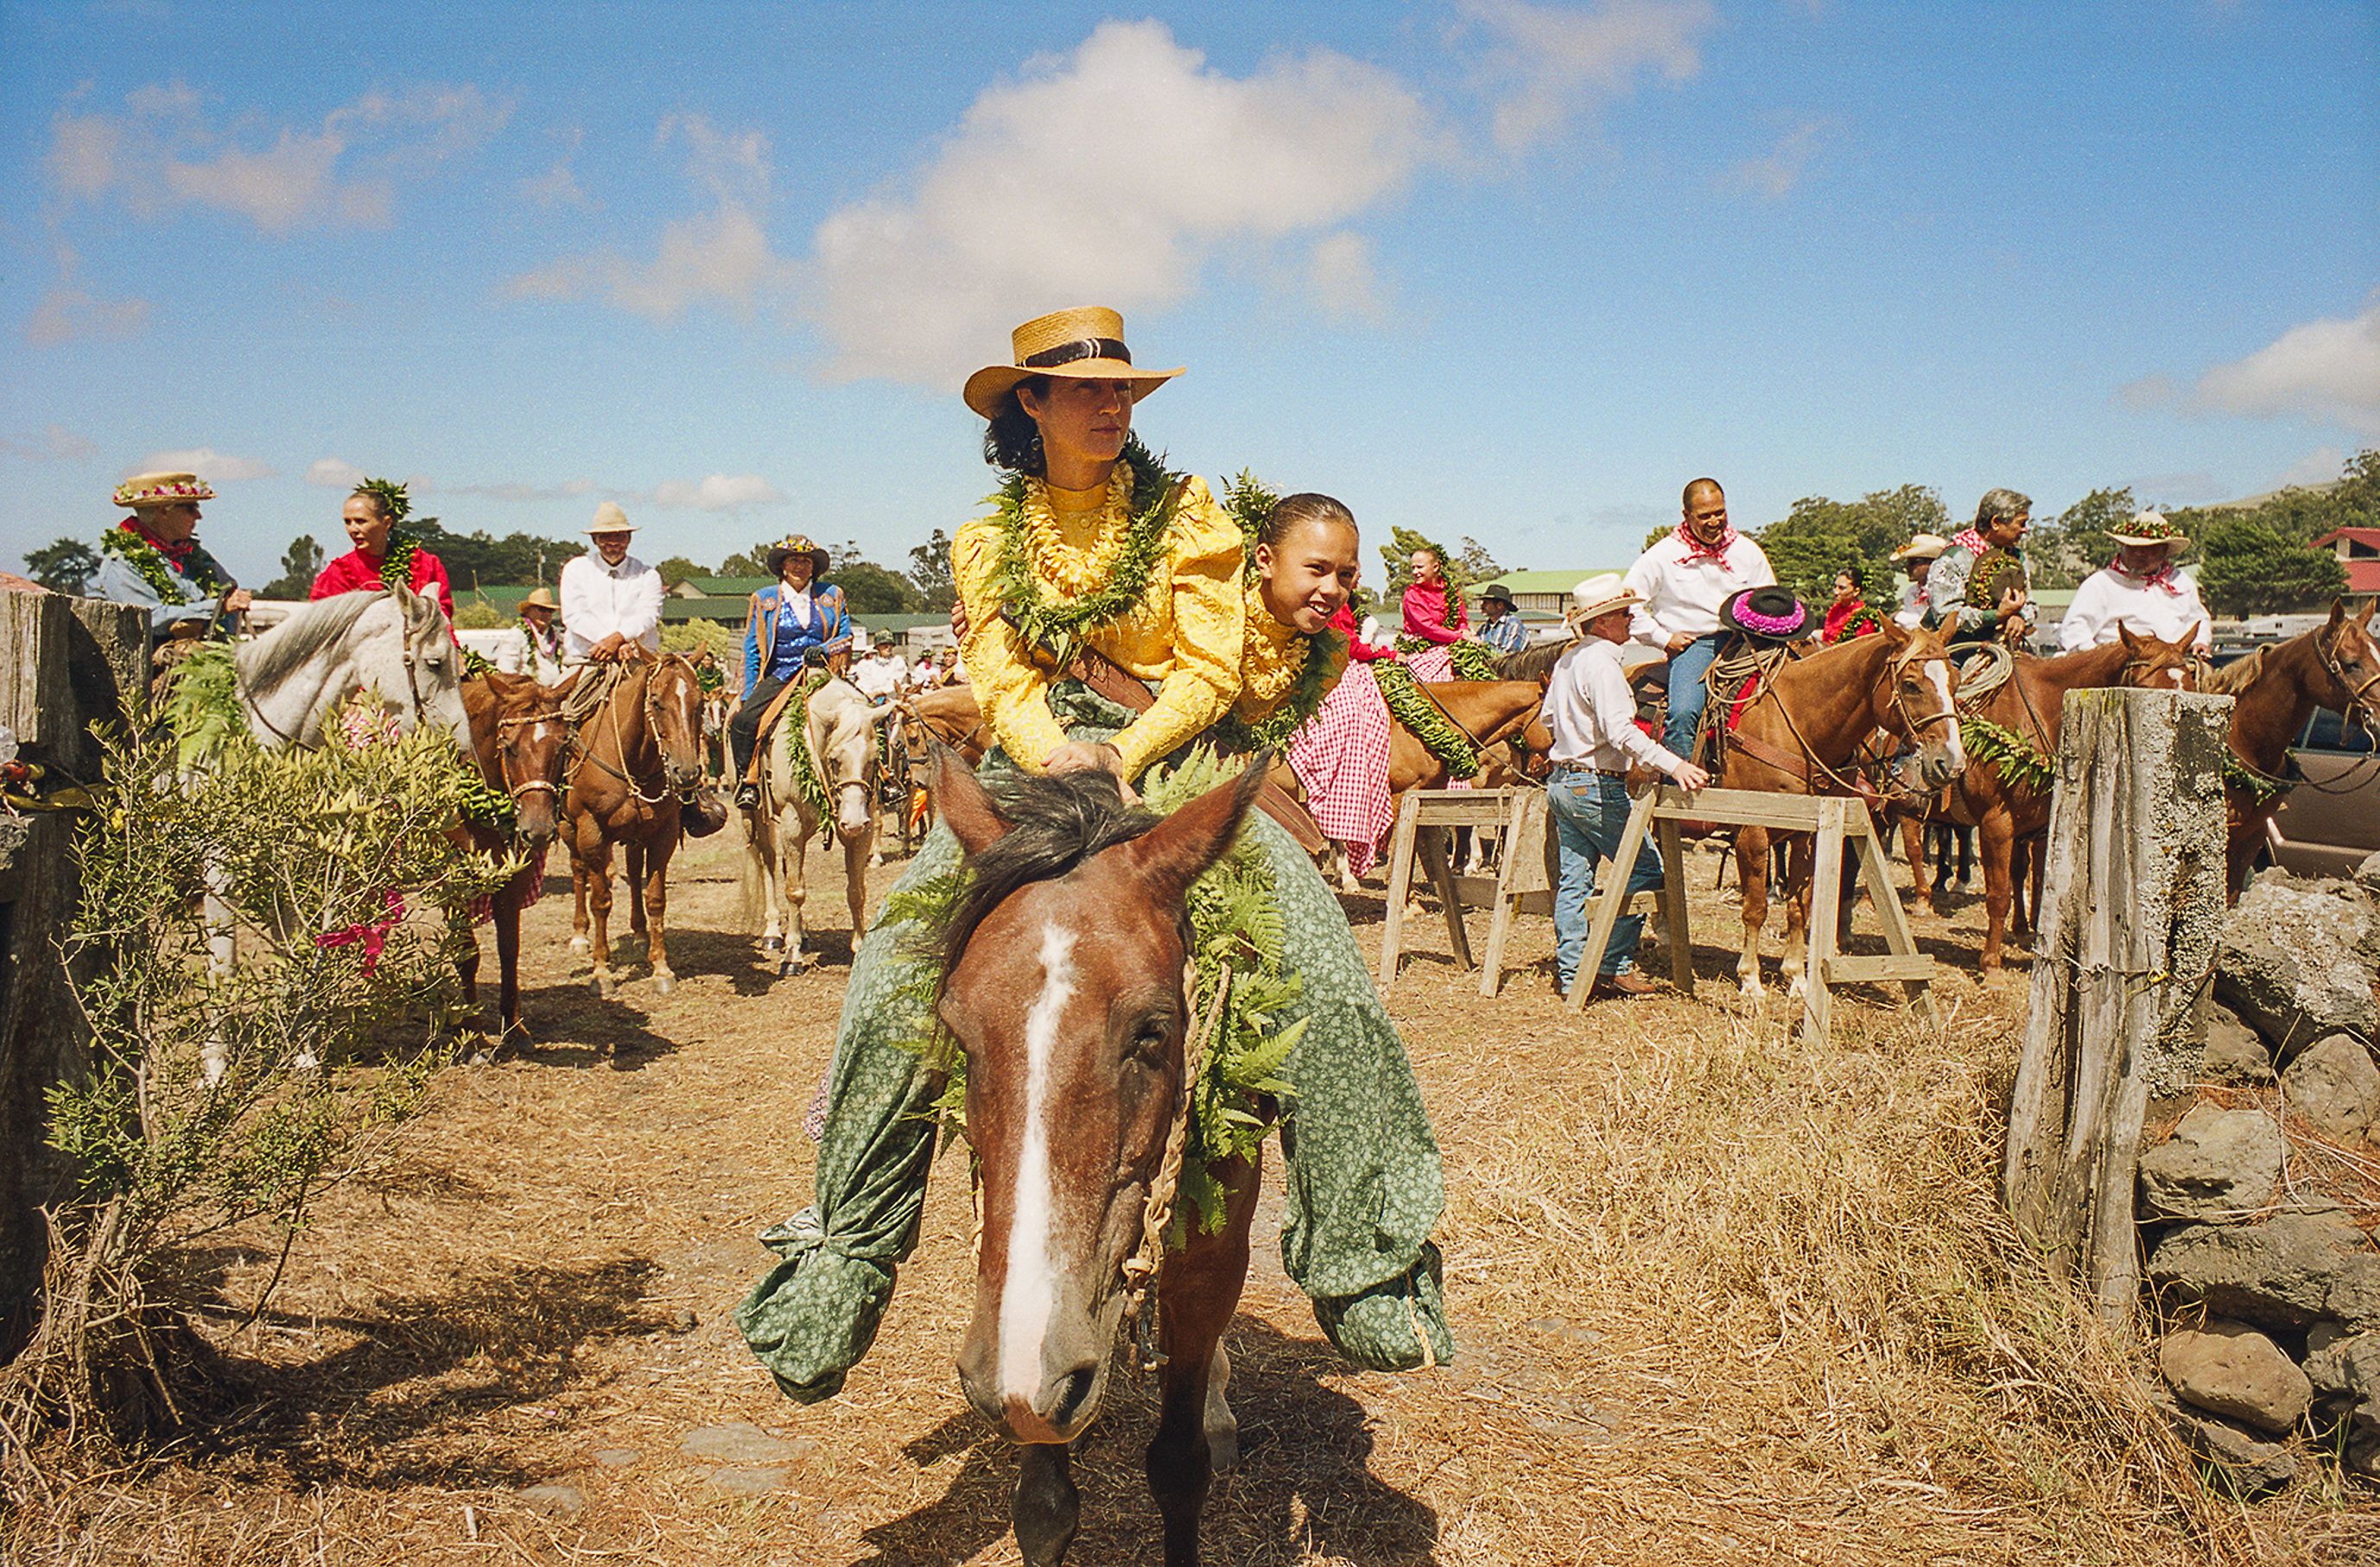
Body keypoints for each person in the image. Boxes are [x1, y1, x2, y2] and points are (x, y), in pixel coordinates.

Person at [735, 307, 1451, 1405]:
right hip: (1032, 765)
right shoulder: (987, 540)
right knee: (891, 962)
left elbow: (1210, 669)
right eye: (1085, 390)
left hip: (1163, 753)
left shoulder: (1189, 515)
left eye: (1124, 391)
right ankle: (846, 1256)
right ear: (1029, 402)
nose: (1112, 406)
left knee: (1315, 942)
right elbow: (1000, 669)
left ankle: (1368, 1255)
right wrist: (1050, 750)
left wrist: (1121, 748)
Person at [1543, 574, 1711, 999]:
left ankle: (1572, 974)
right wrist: (1676, 765)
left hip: (1563, 780)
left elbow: (1548, 721)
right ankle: (1611, 964)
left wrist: (1576, 735)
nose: (1630, 619)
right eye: (1623, 613)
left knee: (1574, 881)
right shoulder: (1602, 663)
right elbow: (1621, 732)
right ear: (1602, 623)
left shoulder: (1567, 661)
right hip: (1595, 784)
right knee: (1645, 871)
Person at [1622, 477, 1776, 761]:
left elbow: (1768, 598)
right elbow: (1628, 606)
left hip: (1749, 639)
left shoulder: (1747, 551)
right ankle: (1676, 786)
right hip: (1697, 646)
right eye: (1705, 516)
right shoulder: (1662, 555)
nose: (1715, 521)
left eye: (1720, 512)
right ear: (1687, 516)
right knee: (1683, 712)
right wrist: (1664, 638)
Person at [731, 534, 852, 808]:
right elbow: (752, 649)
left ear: (814, 567)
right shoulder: (764, 599)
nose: (800, 566)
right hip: (781, 674)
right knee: (744, 721)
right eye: (794, 560)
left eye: (806, 561)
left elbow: (845, 635)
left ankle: (883, 781)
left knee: (866, 712)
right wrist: (750, 692)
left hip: (822, 674)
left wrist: (825, 649)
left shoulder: (832, 595)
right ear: (783, 566)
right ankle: (747, 781)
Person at [92, 471, 251, 644]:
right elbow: (149, 617)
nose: (199, 516)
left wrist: (225, 644)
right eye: (190, 508)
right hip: (151, 666)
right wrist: (219, 608)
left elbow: (230, 592)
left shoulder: (194, 555)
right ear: (163, 512)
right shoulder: (121, 563)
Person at [2057, 511, 2212, 656]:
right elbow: (2074, 630)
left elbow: (2198, 619)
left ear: (2164, 551)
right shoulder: (2101, 583)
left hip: (2175, 662)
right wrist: (2099, 660)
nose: (2139, 553)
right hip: (2122, 668)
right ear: (2123, 547)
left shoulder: (2180, 581)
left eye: (2149, 549)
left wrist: (2200, 642)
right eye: (2133, 547)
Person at [308, 479, 455, 622]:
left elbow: (442, 620)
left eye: (360, 521)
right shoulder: (338, 575)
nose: (352, 529)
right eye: (348, 522)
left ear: (386, 523)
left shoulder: (425, 565)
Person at [559, 502, 664, 664]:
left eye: (620, 536)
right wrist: (610, 643)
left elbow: (648, 615)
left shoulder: (648, 575)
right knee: (560, 689)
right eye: (606, 537)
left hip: (637, 658)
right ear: (595, 540)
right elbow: (575, 616)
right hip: (586, 659)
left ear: (629, 539)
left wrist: (619, 639)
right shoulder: (575, 569)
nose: (613, 543)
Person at [1927, 489, 2034, 648]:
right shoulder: (1954, 558)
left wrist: (2018, 617)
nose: (2025, 530)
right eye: (2021, 524)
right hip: (1960, 650)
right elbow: (1947, 616)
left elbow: (2030, 603)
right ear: (1996, 523)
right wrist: (1996, 616)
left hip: (2010, 645)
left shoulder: (2017, 558)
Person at [1399, 545, 1475, 678]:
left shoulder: (1450, 590)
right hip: (1422, 646)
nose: (1415, 572)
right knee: (1441, 675)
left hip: (1452, 641)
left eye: (1420, 567)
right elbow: (1428, 629)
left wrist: (1464, 630)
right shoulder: (1412, 595)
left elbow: (1461, 619)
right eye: (1413, 568)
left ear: (1435, 567)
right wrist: (1458, 637)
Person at [1890, 534, 1948, 629]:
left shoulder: (1944, 589)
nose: (1908, 567)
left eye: (1914, 562)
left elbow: (1926, 624)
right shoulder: (1912, 592)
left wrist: (1897, 616)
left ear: (1932, 563)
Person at [1820, 565, 1886, 643]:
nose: (1835, 592)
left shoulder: (1863, 620)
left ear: (1856, 591)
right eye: (1835, 587)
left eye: (1842, 588)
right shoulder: (1835, 611)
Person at [514, 586, 565, 679]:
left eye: (550, 611)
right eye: (541, 609)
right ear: (528, 611)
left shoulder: (556, 635)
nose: (546, 614)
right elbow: (506, 670)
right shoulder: (517, 635)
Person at [851, 631, 908, 706]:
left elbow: (895, 683)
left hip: (892, 702)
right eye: (885, 645)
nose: (889, 647)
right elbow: (864, 683)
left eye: (890, 645)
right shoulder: (866, 664)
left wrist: (878, 693)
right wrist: (870, 696)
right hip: (870, 700)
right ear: (878, 647)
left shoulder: (897, 661)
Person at [1476, 582, 1531, 655]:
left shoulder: (1513, 625)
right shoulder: (1484, 628)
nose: (1482, 606)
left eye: (1486, 603)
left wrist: (1482, 646)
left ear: (1500, 605)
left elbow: (1509, 657)